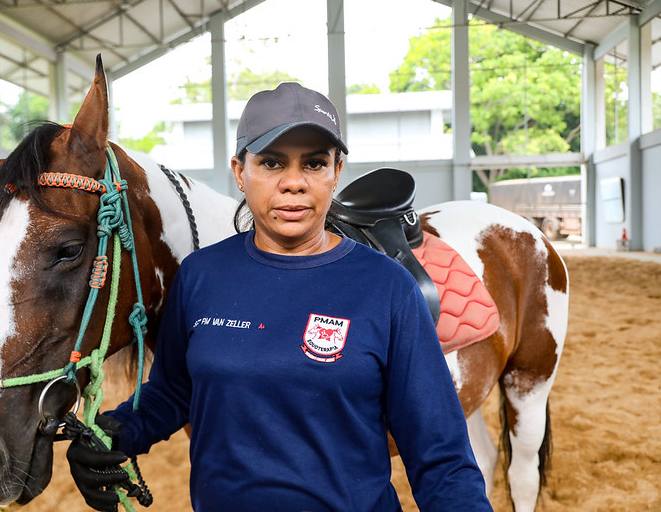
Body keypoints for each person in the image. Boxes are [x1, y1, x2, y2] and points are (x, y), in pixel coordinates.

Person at [67, 82, 493, 511]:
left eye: (313, 163)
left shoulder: (388, 288)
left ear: (336, 172)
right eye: (271, 163)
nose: (293, 183)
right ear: (239, 171)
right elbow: (176, 389)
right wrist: (118, 430)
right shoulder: (201, 275)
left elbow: (441, 456)